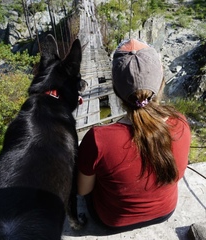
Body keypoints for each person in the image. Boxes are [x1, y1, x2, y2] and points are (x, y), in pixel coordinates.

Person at [77, 38, 191, 232]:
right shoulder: (180, 123)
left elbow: (83, 190)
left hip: (112, 221)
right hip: (165, 212)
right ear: (162, 82)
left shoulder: (98, 139)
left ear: (115, 89)